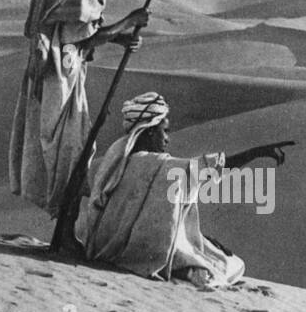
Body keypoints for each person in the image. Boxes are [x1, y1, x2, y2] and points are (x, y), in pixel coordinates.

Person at [8, 0, 150, 220]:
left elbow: (73, 34)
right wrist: (129, 22)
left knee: (68, 152)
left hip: (55, 73)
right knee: (69, 154)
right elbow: (82, 41)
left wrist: (119, 38)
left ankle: (66, 227)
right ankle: (65, 229)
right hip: (60, 78)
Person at [75, 92, 294, 289]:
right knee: (231, 265)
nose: (167, 138)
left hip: (104, 248)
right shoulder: (162, 166)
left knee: (207, 249)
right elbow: (212, 167)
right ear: (150, 132)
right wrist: (258, 152)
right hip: (144, 255)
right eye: (164, 131)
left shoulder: (116, 159)